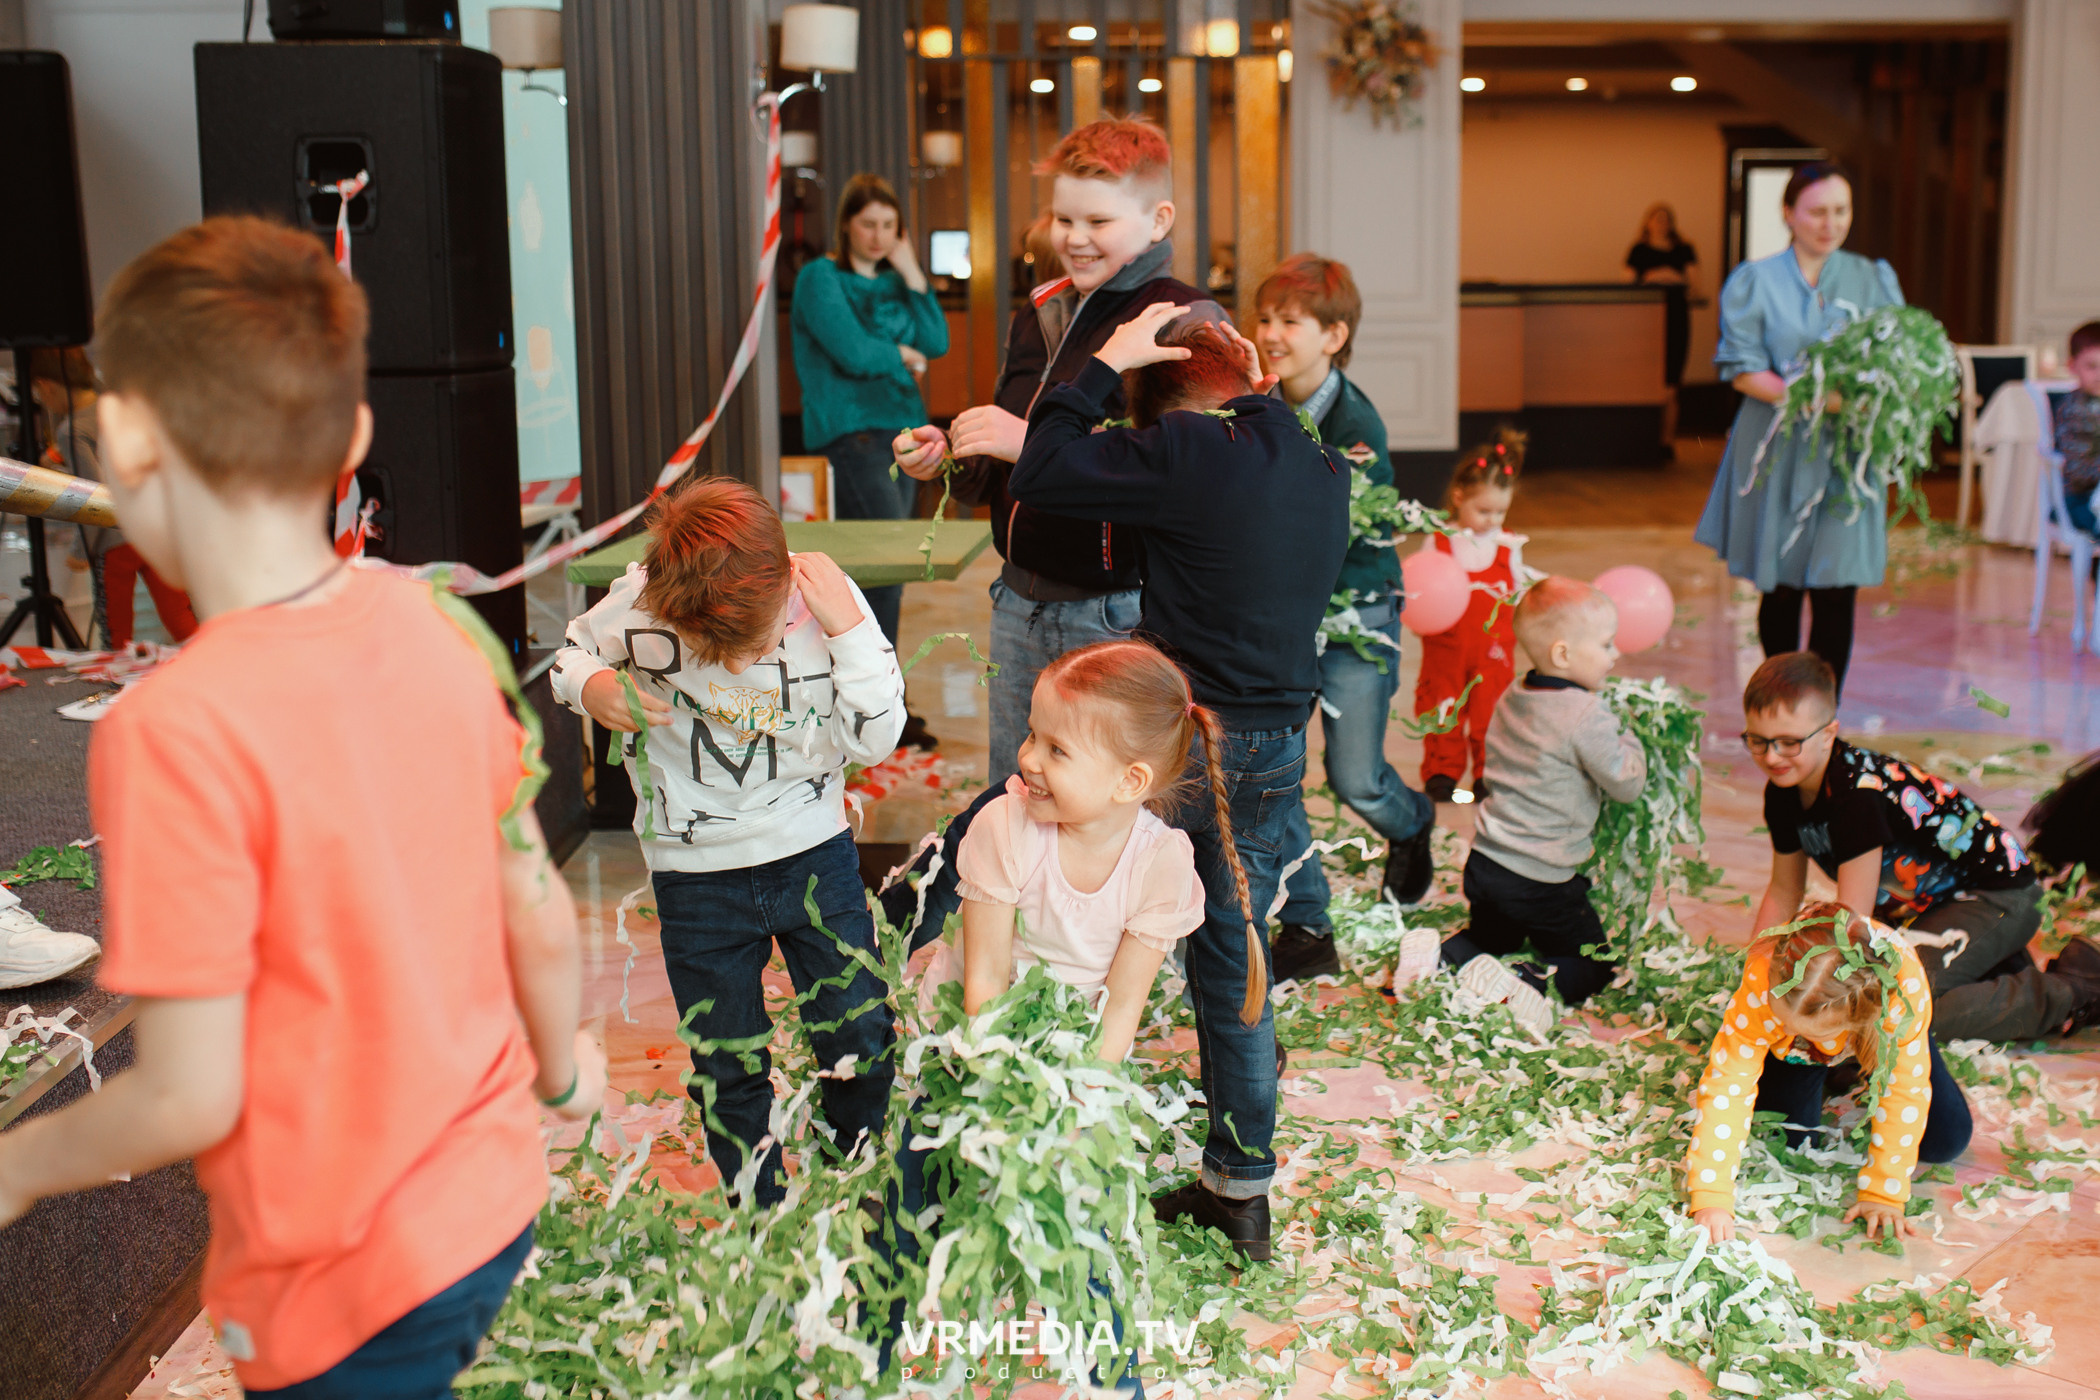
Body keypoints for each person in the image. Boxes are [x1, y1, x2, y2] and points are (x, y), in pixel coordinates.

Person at [0, 216, 606, 1395]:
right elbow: (531, 900)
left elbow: (186, 1090)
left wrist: (21, 1166)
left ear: (124, 439)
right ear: (358, 436)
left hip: (339, 1288)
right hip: (489, 1199)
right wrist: (566, 1077)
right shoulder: (438, 624)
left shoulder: (173, 730)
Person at [1007, 303, 1349, 1261]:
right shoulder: (1316, 459)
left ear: (1158, 412)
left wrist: (1102, 362)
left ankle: (1236, 1185)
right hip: (1284, 737)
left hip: (1199, 744)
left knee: (1208, 958)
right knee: (1235, 944)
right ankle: (1240, 1149)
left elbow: (1040, 471)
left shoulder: (1188, 453)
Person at [550, 477, 905, 1206]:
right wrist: (593, 688)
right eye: (722, 648)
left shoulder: (828, 604)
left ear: (782, 582)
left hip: (814, 853)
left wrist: (849, 633)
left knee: (859, 1030)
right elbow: (572, 652)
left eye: (761, 639)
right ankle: (760, 1209)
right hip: (695, 875)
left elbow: (875, 741)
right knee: (727, 1061)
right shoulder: (642, 600)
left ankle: (857, 1167)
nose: (741, 665)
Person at [893, 117, 1226, 789]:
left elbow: (1191, 474)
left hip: (1115, 611)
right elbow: (1007, 461)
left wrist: (1032, 444)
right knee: (1015, 792)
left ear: (1158, 220)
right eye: (1062, 219)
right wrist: (956, 457)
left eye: (1097, 221)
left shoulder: (1186, 320)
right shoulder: (1041, 311)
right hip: (1017, 597)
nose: (1073, 239)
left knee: (1098, 803)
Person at [1740, 651, 2100, 1041]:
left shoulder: (1855, 797)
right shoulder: (1783, 792)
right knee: (1878, 1002)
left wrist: (1819, 1006)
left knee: (1894, 1011)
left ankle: (2073, 990)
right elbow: (1783, 890)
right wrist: (1753, 978)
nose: (1771, 757)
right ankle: (1999, 968)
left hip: (1999, 896)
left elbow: (1852, 922)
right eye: (1757, 741)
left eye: (1789, 743)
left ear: (1828, 733)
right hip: (1930, 909)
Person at [1252, 254, 1438, 985]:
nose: (1269, 333)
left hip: (1356, 611)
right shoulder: (1255, 400)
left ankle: (1412, 822)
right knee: (1279, 765)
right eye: (1264, 318)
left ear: (1333, 335)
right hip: (1285, 615)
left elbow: (1333, 523)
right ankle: (1308, 920)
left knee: (1354, 777)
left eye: (1288, 322)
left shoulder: (1355, 423)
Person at [1694, 161, 1903, 701]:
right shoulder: (1755, 280)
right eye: (1817, 211)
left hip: (1846, 453)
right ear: (1789, 213)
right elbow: (1742, 369)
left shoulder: (1872, 277)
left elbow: (1895, 356)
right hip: (1777, 444)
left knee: (1837, 586)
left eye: (1841, 211)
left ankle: (1823, 713)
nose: (1830, 223)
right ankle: (1782, 703)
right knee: (1782, 583)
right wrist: (1820, 398)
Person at [1687, 902, 1973, 1244]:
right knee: (1794, 1143)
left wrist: (1884, 1192)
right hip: (1796, 1053)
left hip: (1880, 1031)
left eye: (1816, 1034)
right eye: (1786, 1021)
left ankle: (1850, 1062)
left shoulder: (1900, 990)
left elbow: (1903, 1091)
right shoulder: (1763, 976)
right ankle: (1819, 1059)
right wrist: (1711, 1195)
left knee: (1946, 1140)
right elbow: (1728, 1084)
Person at [1441, 577, 1646, 1034]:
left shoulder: (1516, 692)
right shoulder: (1586, 715)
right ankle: (1524, 984)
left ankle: (1444, 957)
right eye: (1606, 644)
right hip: (1541, 880)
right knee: (1595, 965)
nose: (1616, 655)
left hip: (1487, 863)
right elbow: (1626, 783)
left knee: (1493, 937)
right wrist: (1630, 736)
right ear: (1563, 655)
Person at [790, 173, 947, 749]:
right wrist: (898, 354)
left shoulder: (894, 280)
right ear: (847, 225)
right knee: (883, 572)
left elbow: (938, 341)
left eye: (890, 226)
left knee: (887, 574)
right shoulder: (819, 277)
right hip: (852, 431)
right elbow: (853, 353)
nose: (879, 236)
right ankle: (878, 707)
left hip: (903, 430)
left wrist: (911, 274)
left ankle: (881, 703)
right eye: (868, 224)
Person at [25, 345, 200, 647]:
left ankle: (114, 690)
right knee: (181, 617)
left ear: (45, 385)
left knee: (115, 632)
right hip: (151, 529)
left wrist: (80, 551)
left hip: (113, 540)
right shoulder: (117, 407)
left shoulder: (71, 431)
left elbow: (91, 498)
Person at [1413, 428, 1529, 805]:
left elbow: (1518, 591)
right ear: (1459, 497)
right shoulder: (1440, 540)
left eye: (1500, 511)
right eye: (1483, 511)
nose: (1491, 520)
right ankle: (1442, 773)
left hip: (1492, 651)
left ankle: (1486, 773)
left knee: (1490, 711)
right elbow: (1422, 589)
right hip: (1445, 648)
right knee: (1442, 707)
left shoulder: (1508, 545)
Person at [1625, 202, 1700, 444]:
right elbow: (1626, 284)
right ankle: (1646, 439)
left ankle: (1667, 441)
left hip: (1676, 318)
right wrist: (1652, 277)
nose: (1661, 223)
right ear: (1647, 222)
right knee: (1647, 380)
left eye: (1666, 219)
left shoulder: (1684, 249)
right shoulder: (1639, 250)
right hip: (1647, 320)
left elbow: (1696, 288)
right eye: (1656, 219)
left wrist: (1675, 277)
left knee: (1671, 383)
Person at [2048, 320, 2100, 535]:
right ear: (2072, 366)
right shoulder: (2074, 411)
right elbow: (2077, 472)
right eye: (2092, 366)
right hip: (2079, 500)